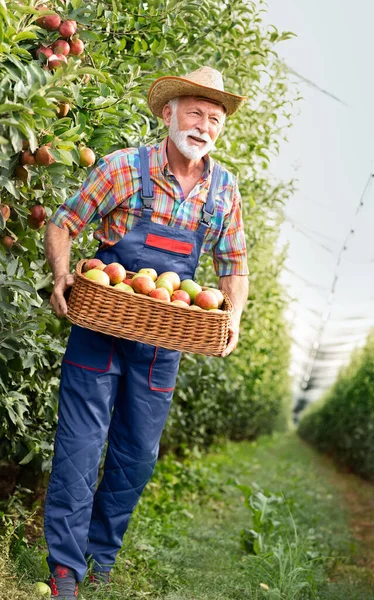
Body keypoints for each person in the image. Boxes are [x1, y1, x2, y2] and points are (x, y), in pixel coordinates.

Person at [44, 65, 249, 599]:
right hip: (104, 321)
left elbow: (235, 266)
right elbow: (62, 221)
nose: (205, 126)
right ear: (168, 113)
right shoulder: (124, 170)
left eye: (215, 118)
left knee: (137, 454)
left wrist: (234, 317)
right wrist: (63, 275)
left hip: (165, 335)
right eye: (196, 113)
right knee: (80, 446)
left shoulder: (223, 191)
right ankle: (65, 568)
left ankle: (100, 558)